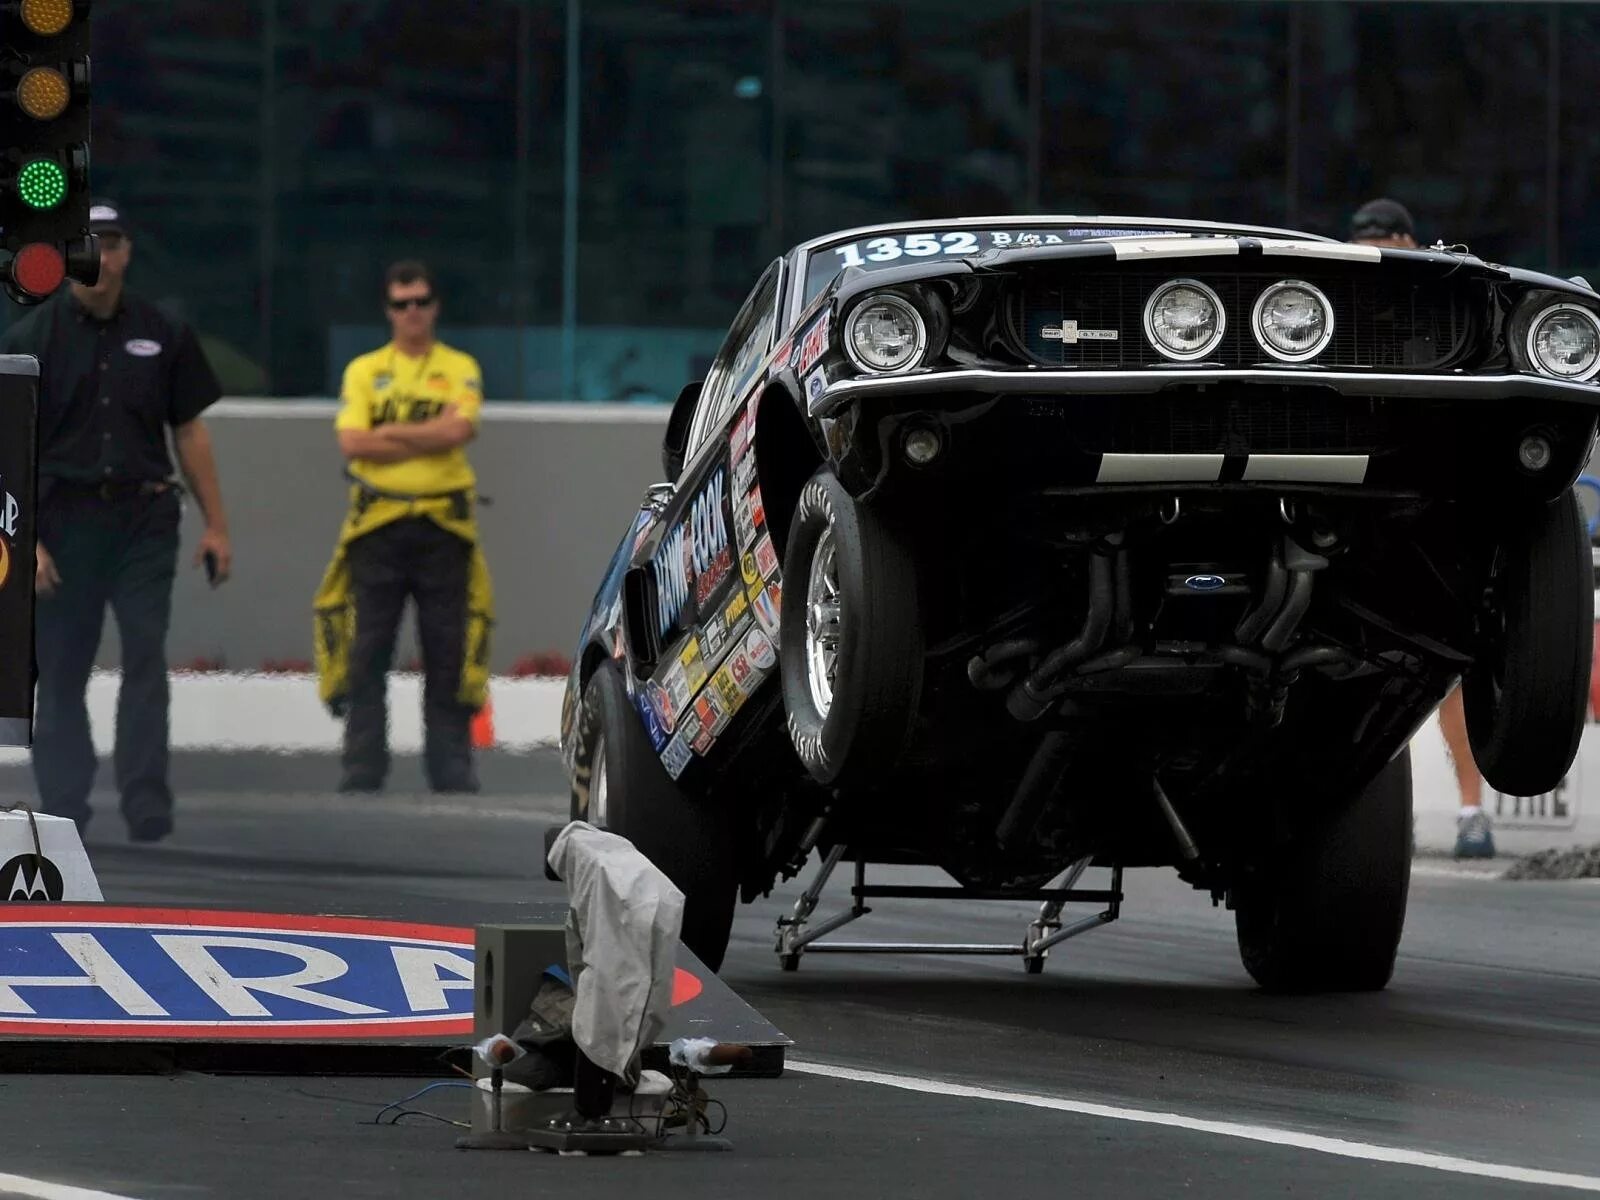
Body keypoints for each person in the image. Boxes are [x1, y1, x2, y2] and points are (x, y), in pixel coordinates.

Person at [0, 198, 232, 842]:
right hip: (62, 522)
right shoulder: (32, 339)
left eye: (111, 241)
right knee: (62, 666)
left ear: (127, 251)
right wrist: (28, 543)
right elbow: (8, 449)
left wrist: (217, 525)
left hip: (142, 519)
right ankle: (64, 806)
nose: (98, 254)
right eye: (86, 241)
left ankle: (146, 801)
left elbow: (189, 431)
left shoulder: (163, 333)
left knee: (145, 655)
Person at [313, 260, 494, 793]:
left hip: (445, 525)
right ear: (388, 310)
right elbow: (352, 443)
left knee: (448, 649)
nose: (411, 312)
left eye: (420, 302)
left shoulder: (459, 365)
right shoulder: (364, 370)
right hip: (378, 525)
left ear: (434, 307)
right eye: (401, 303)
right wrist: (425, 432)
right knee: (367, 648)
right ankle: (362, 766)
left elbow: (461, 429)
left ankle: (451, 768)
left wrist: (389, 432)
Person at [1349, 196, 1493, 858]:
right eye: (1368, 242)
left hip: (1429, 509)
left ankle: (1470, 813)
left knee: (1450, 669)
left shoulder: (1445, 304)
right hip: (1358, 514)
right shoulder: (1338, 308)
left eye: (1387, 241)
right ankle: (1351, 816)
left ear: (1409, 240)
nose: (1380, 251)